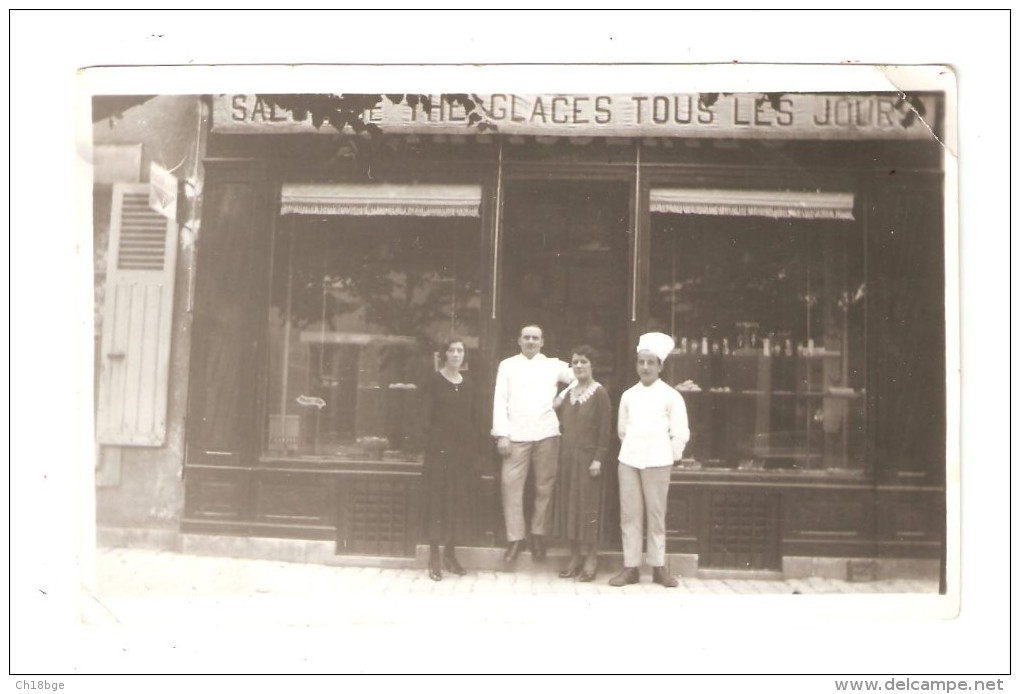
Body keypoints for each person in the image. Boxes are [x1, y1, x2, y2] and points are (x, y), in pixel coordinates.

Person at [610, 332, 690, 588]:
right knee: (630, 515)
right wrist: (634, 450)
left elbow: (680, 432)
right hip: (630, 461)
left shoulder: (671, 396)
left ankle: (658, 567)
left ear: (660, 366)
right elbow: (622, 430)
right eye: (641, 362)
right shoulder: (628, 395)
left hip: (658, 461)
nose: (645, 367)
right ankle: (631, 567)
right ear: (636, 365)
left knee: (656, 516)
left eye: (650, 363)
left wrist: (669, 455)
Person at [492, 324, 575, 564]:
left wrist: (562, 397)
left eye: (535, 338)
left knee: (544, 487)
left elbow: (581, 376)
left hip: (546, 433)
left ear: (542, 342)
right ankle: (516, 538)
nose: (530, 341)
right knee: (510, 486)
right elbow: (500, 400)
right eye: (526, 337)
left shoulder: (552, 365)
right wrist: (502, 435)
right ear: (519, 340)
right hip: (515, 435)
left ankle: (538, 535)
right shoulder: (507, 365)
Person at [551, 345, 612, 582]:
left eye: (583, 362)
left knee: (588, 509)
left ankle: (591, 558)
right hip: (567, 458)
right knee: (570, 507)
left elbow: (605, 431)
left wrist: (598, 459)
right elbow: (556, 417)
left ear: (592, 365)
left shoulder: (599, 394)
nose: (578, 366)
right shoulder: (568, 392)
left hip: (588, 461)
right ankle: (574, 556)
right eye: (575, 362)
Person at [421, 337, 480, 581]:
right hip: (438, 453)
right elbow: (424, 418)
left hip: (461, 455)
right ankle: (434, 555)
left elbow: (473, 419)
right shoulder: (434, 382)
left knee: (457, 503)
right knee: (437, 502)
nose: (456, 354)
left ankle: (450, 554)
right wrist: (434, 444)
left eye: (460, 350)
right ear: (444, 354)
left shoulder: (469, 384)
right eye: (452, 350)